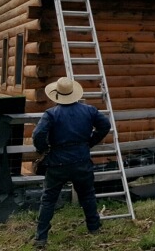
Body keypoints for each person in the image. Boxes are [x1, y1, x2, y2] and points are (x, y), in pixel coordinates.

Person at [32, 77, 110, 248]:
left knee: (49, 199)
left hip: (57, 162)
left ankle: (41, 237)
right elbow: (105, 125)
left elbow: (38, 134)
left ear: (57, 94)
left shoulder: (51, 114)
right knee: (87, 194)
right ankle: (94, 227)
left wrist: (43, 149)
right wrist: (90, 142)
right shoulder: (89, 111)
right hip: (81, 159)